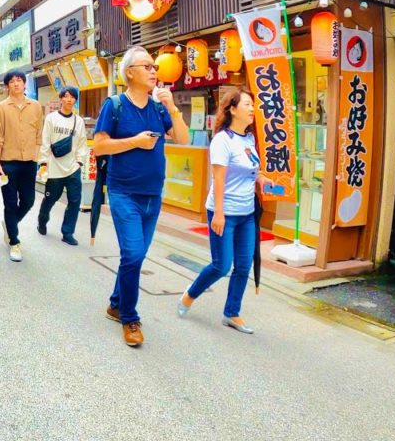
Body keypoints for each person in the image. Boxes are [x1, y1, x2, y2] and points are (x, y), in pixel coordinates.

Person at [93, 46, 190, 347]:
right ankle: (129, 317)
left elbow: (183, 138)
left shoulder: (159, 108)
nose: (153, 71)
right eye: (147, 66)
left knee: (134, 257)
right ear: (129, 72)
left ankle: (115, 303)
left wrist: (172, 106)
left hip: (153, 195)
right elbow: (99, 146)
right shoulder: (114, 105)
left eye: (154, 67)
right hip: (124, 193)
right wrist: (135, 141)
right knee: (133, 255)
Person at [179, 88, 272, 334]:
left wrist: (260, 178)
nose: (252, 109)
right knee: (221, 266)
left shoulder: (249, 138)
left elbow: (250, 169)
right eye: (247, 104)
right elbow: (218, 179)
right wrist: (219, 213)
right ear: (232, 109)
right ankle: (190, 294)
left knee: (243, 266)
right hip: (224, 212)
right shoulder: (222, 140)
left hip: (247, 213)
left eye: (253, 104)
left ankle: (232, 313)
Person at [0, 69, 44, 262]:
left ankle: (9, 224)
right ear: (7, 86)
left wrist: (36, 157)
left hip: (29, 162)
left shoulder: (36, 106)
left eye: (19, 80)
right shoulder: (0, 108)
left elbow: (39, 135)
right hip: (8, 163)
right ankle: (14, 242)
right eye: (12, 81)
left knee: (28, 201)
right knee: (10, 203)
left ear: (24, 83)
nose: (16, 83)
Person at [37, 86, 89, 246]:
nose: (69, 99)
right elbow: (45, 141)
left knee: (74, 201)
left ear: (75, 100)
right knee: (50, 199)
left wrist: (80, 162)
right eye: (66, 96)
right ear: (60, 99)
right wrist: (43, 163)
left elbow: (82, 143)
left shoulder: (79, 121)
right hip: (54, 167)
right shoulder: (51, 118)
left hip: (73, 168)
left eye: (72, 97)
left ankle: (68, 232)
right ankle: (42, 221)